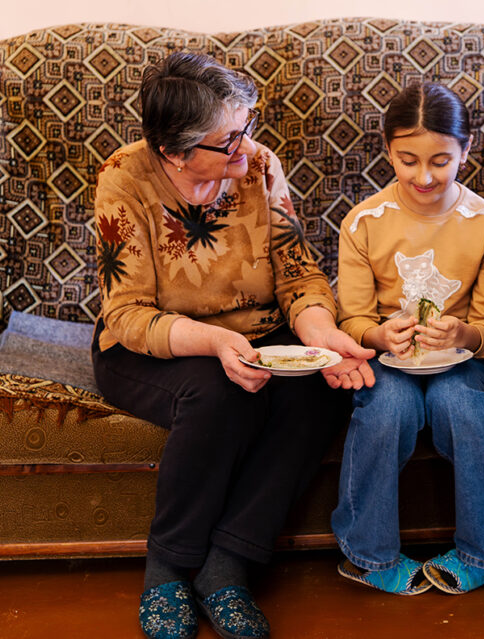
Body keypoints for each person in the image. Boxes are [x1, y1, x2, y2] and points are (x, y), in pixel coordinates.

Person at [92, 51, 375, 639]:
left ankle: (228, 565)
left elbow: (299, 274)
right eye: (229, 140)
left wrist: (324, 336)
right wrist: (216, 340)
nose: (246, 151)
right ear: (174, 149)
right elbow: (126, 313)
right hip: (151, 341)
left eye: (247, 129)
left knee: (320, 391)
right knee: (222, 393)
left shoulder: (260, 165)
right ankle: (168, 566)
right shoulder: (124, 178)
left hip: (259, 331)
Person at [330, 82, 484, 596]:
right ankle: (367, 554)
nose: (424, 176)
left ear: (466, 150)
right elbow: (352, 320)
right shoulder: (364, 224)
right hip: (389, 361)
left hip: (465, 361)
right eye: (408, 160)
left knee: (459, 404)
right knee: (388, 410)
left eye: (441, 160)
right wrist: (377, 334)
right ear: (388, 149)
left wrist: (463, 332)